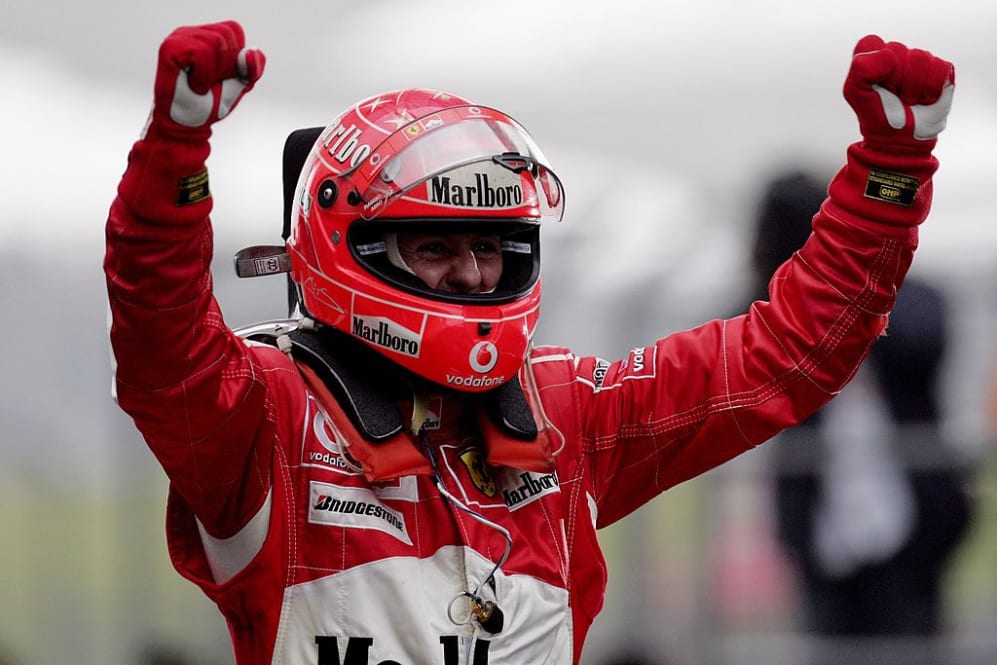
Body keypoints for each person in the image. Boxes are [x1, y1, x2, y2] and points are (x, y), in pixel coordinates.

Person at [103, 20, 956, 665]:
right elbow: (160, 343)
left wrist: (889, 174)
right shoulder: (269, 418)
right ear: (350, 248)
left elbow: (784, 355)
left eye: (489, 247)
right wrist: (174, 154)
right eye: (434, 247)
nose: (472, 275)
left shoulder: (565, 411)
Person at [748, 171, 973, 664]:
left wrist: (853, 279)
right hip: (823, 533)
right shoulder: (776, 310)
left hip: (911, 529)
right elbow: (741, 338)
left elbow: (922, 335)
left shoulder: (911, 301)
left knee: (908, 644)